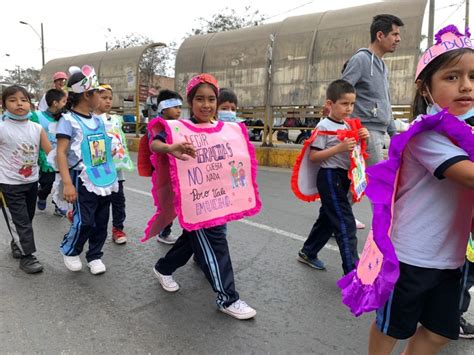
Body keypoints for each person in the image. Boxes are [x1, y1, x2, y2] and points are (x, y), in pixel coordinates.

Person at [368, 25, 474, 354]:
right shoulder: (425, 134)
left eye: (473, 76)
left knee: (440, 331)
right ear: (425, 88)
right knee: (392, 327)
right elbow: (469, 175)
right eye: (452, 77)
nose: (466, 86)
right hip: (410, 256)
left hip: (453, 257)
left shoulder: (465, 133)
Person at [150, 74, 257, 320]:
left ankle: (163, 268)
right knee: (216, 244)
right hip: (195, 201)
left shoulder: (226, 130)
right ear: (190, 102)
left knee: (192, 240)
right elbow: (155, 144)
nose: (206, 105)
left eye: (211, 99)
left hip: (218, 200)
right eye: (200, 99)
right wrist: (170, 148)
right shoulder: (178, 128)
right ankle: (227, 298)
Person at [297, 79, 369, 275]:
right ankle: (353, 272)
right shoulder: (323, 126)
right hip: (329, 177)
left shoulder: (346, 124)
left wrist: (364, 137)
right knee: (345, 224)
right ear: (330, 104)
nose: (349, 108)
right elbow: (313, 156)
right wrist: (338, 148)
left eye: (352, 104)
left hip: (342, 177)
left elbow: (356, 151)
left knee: (328, 219)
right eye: (344, 103)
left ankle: (308, 251)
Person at [342, 14, 404, 229]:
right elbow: (343, 89)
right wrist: (348, 126)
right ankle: (384, 229)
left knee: (360, 179)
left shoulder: (382, 65)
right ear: (380, 35)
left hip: (378, 131)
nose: (398, 39)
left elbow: (384, 100)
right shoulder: (361, 59)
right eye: (394, 34)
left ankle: (337, 217)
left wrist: (394, 131)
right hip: (365, 131)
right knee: (377, 179)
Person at [55, 65, 118, 275]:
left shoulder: (98, 120)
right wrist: (67, 183)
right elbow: (61, 153)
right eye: (99, 94)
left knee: (102, 220)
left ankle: (95, 255)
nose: (102, 98)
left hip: (104, 177)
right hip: (82, 178)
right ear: (87, 95)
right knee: (85, 220)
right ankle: (70, 249)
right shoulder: (68, 121)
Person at [0, 85, 52, 273]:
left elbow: (50, 152)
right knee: (20, 220)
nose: (19, 104)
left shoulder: (37, 128)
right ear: (4, 104)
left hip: (31, 182)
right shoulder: (2, 127)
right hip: (8, 184)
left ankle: (18, 243)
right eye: (12, 100)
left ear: (30, 103)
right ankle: (27, 256)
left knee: (27, 218)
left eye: (23, 100)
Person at [94, 84, 135, 244]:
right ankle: (84, 219)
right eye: (104, 98)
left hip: (116, 169)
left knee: (118, 199)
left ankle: (118, 228)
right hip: (97, 170)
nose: (108, 101)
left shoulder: (116, 119)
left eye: (110, 98)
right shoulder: (88, 120)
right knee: (96, 201)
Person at [153, 89, 183, 245]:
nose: (179, 110)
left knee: (175, 203)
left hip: (175, 172)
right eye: (175, 106)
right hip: (164, 173)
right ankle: (163, 232)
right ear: (163, 108)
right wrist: (170, 148)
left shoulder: (176, 125)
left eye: (180, 107)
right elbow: (155, 145)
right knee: (168, 204)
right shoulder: (161, 127)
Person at [31, 88, 68, 216]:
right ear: (54, 103)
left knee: (63, 181)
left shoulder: (66, 118)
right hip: (45, 156)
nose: (66, 104)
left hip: (63, 155)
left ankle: (59, 205)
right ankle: (41, 194)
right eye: (64, 101)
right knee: (48, 181)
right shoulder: (37, 116)